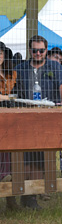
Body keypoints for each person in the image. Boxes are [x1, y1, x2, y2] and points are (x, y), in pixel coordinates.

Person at [13, 35, 62, 209]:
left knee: (42, 156)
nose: (38, 53)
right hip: (24, 117)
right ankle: (27, 195)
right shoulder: (20, 68)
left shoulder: (55, 66)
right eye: (34, 50)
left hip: (47, 117)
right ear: (29, 50)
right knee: (25, 156)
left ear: (46, 50)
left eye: (41, 50)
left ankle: (33, 195)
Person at [0, 42, 19, 210]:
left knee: (9, 156)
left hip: (10, 119)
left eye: (0, 53)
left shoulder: (12, 73)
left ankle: (10, 199)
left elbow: (18, 93)